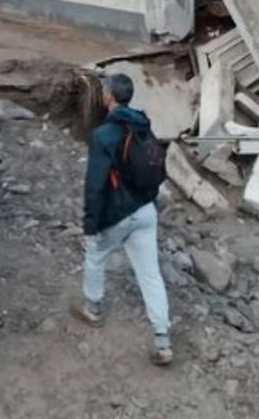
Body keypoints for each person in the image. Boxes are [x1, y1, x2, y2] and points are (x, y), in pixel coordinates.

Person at [75, 72, 172, 366]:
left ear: (109, 97)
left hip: (120, 212)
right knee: (150, 274)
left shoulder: (104, 135)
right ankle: (162, 340)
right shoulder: (143, 127)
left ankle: (93, 308)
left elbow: (95, 184)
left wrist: (91, 223)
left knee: (95, 252)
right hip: (146, 209)